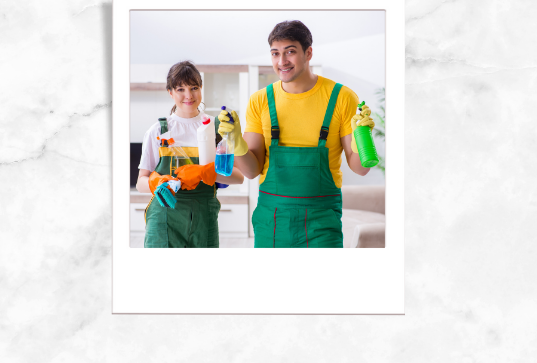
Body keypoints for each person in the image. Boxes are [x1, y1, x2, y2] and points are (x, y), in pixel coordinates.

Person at [218, 21, 375, 248]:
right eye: (275, 53)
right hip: (271, 221)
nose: (282, 62)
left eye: (290, 52)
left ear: (308, 52)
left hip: (322, 224)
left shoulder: (341, 97)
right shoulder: (260, 100)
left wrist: (363, 136)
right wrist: (235, 141)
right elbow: (252, 172)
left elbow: (360, 169)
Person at [137, 61, 244, 248]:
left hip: (204, 219)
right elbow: (140, 182)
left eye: (194, 87)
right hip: (163, 219)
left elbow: (239, 177)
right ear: (170, 92)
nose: (188, 95)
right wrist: (157, 183)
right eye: (180, 89)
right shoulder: (157, 131)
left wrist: (204, 172)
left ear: (201, 87)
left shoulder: (216, 128)